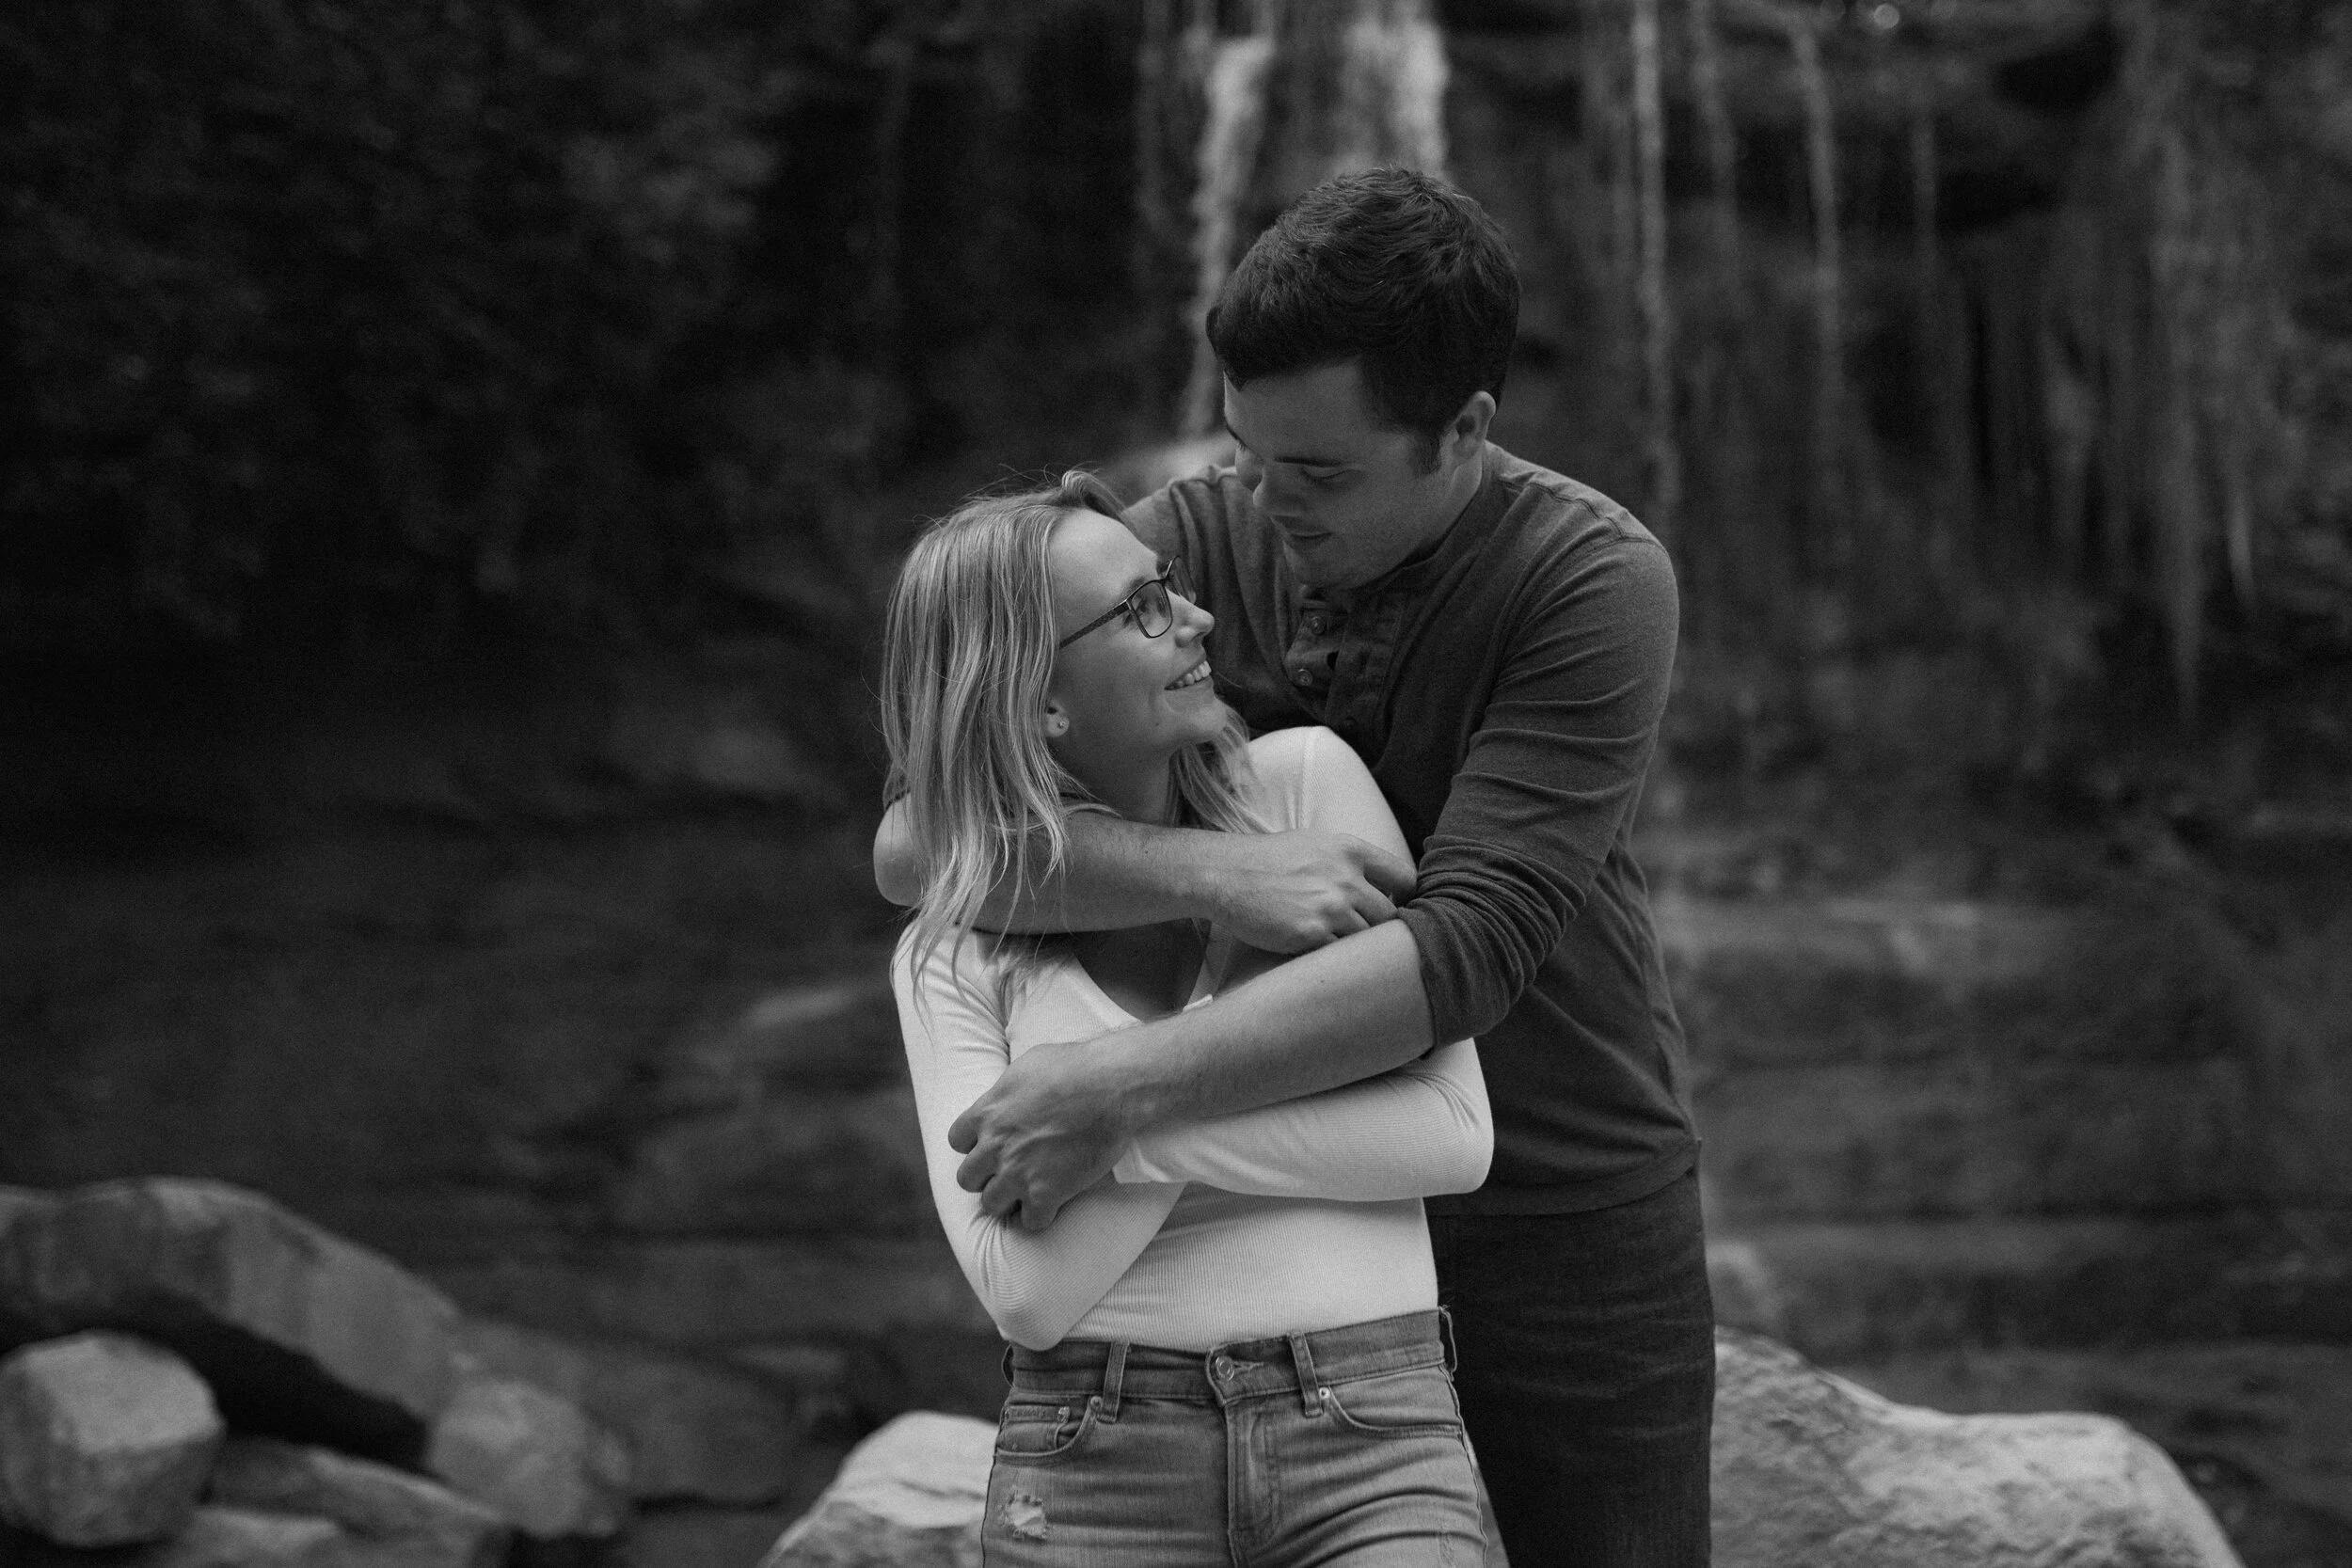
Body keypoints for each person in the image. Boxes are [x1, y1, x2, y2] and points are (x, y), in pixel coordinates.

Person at [876, 166, 1711, 1566]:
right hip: (1291, 1218)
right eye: (1246, 452)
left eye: (1317, 473)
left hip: (1566, 1213)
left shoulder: (1589, 577)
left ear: (1465, 431)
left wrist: (1118, 1090)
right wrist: (1213, 875)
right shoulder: (1193, 536)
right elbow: (922, 840)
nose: (1261, 501)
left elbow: (1467, 951)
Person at [881, 469, 1498, 1564]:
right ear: (1040, 700)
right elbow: (1026, 1292)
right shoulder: (952, 952)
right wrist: (1245, 977)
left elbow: (1450, 1135)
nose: (1198, 618)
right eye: (1142, 608)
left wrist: (1108, 1116)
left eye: (1167, 581)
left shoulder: (1301, 794)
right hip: (1092, 1457)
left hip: (1372, 1435)